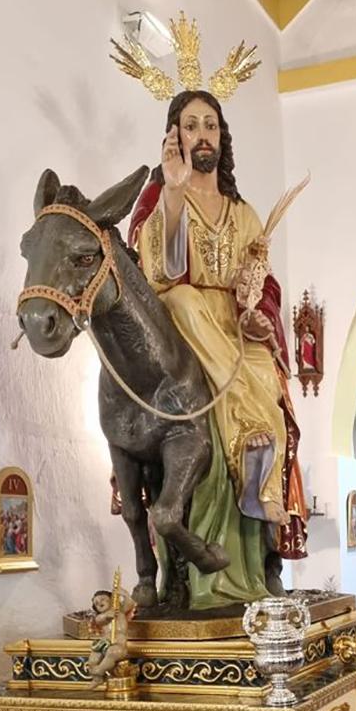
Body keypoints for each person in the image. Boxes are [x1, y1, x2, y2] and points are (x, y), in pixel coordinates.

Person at [129, 88, 307, 599]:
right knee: (184, 299)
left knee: (269, 394)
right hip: (183, 330)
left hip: (234, 327)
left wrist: (259, 316)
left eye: (210, 125)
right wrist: (175, 192)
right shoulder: (163, 196)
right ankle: (241, 444)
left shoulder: (243, 211)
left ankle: (262, 490)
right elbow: (159, 273)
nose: (201, 134)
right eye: (191, 125)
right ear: (175, 137)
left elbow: (264, 282)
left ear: (221, 138)